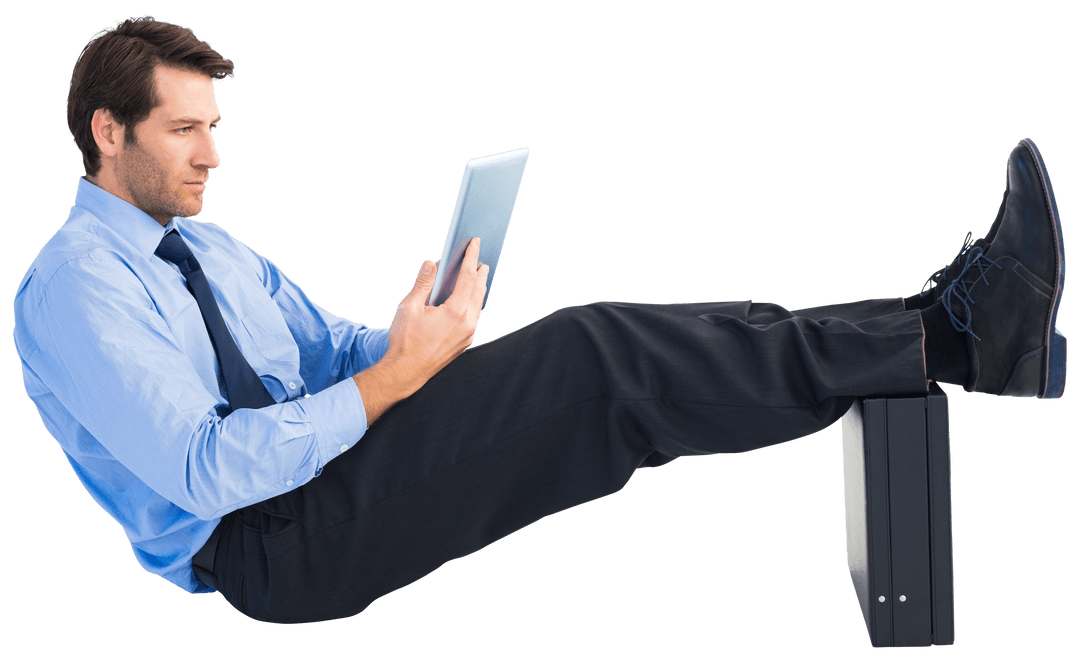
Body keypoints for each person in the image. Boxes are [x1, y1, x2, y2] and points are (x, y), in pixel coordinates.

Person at [13, 15, 1066, 625]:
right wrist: (393, 379)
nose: (213, 154)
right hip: (270, 545)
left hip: (325, 468)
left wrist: (415, 339)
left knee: (665, 343)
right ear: (107, 131)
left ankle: (934, 324)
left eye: (213, 127)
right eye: (185, 130)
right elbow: (205, 470)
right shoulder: (73, 287)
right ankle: (959, 336)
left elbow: (331, 351)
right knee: (601, 359)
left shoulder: (209, 248)